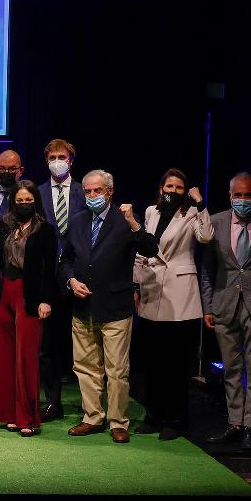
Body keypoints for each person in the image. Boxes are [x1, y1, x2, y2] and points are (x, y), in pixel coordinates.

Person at [59, 169, 159, 443]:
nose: (92, 195)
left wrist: (133, 222)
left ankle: (118, 422)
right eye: (88, 191)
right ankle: (92, 417)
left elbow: (151, 249)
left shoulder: (124, 220)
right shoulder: (77, 221)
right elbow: (65, 260)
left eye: (97, 191)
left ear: (110, 192)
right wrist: (70, 281)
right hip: (83, 307)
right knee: (85, 367)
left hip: (115, 306)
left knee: (116, 370)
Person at [131, 169, 212, 440]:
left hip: (179, 292)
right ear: (161, 188)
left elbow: (206, 237)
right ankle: (152, 416)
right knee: (152, 361)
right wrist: (136, 283)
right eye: (169, 186)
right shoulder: (151, 211)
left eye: (179, 187)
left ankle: (174, 420)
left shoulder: (191, 213)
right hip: (152, 289)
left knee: (175, 364)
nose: (174, 191)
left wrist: (200, 204)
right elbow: (143, 248)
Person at [0, 181, 59, 437]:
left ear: (35, 201)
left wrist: (46, 300)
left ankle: (28, 417)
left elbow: (49, 269)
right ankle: (9, 414)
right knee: (6, 355)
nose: (24, 204)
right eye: (20, 200)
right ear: (13, 202)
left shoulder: (45, 230)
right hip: (3, 292)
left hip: (29, 295)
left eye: (28, 200)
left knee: (26, 356)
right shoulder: (5, 227)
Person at [200, 172, 251, 449]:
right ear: (230, 196)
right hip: (224, 304)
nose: (243, 200)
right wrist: (207, 306)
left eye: (248, 195)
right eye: (238, 195)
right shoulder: (216, 222)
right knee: (231, 368)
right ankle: (235, 423)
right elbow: (207, 269)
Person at [37, 138, 83, 422]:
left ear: (71, 160)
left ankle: (91, 406)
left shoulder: (86, 191)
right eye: (52, 156)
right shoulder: (37, 192)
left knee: (83, 344)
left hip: (80, 277)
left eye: (62, 156)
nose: (57, 160)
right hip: (47, 280)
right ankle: (53, 402)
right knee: (48, 346)